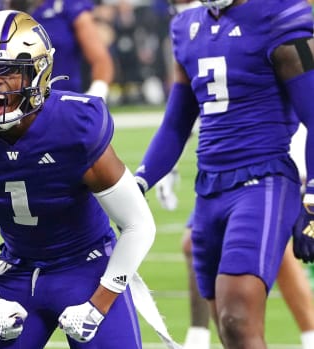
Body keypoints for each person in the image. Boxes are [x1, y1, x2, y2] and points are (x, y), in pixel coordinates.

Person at [0, 10, 158, 348]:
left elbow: (139, 224)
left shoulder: (74, 127)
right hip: (16, 270)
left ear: (38, 73)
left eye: (7, 71)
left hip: (87, 269)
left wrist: (99, 305)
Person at [133, 0, 314, 347]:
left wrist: (313, 197)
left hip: (263, 181)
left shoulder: (276, 15)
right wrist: (137, 182)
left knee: (237, 319)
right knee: (230, 331)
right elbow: (176, 123)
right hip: (210, 189)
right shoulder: (186, 26)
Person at [0, 0, 114, 101]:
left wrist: (97, 92)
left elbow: (100, 60)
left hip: (61, 103)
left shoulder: (67, 6)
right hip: (13, 103)